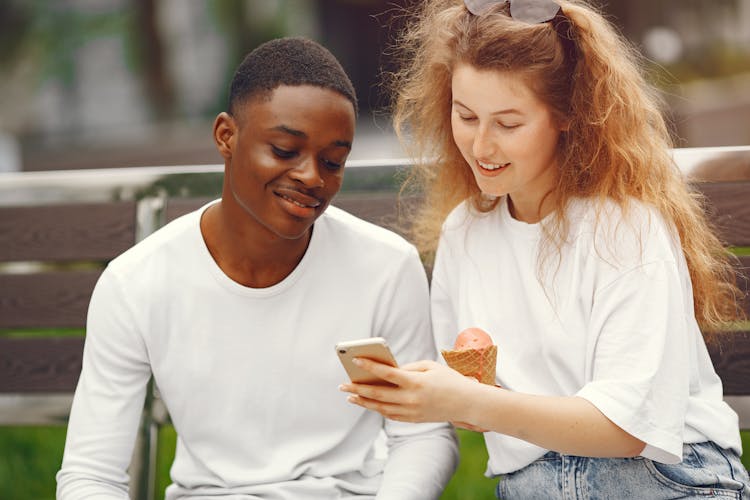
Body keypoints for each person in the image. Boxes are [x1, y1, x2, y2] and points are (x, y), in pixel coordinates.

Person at [339, 0, 750, 497]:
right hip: (532, 485)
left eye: (508, 124)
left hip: (656, 480)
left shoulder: (624, 228)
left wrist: (467, 402)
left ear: (567, 116)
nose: (481, 146)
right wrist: (432, 393)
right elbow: (477, 402)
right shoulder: (463, 232)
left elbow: (625, 428)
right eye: (465, 115)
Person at [56, 37, 458, 499]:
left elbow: (423, 435)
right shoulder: (136, 283)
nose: (313, 177)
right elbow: (91, 475)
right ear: (227, 136)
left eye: (333, 162)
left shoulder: (387, 267)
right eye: (285, 150)